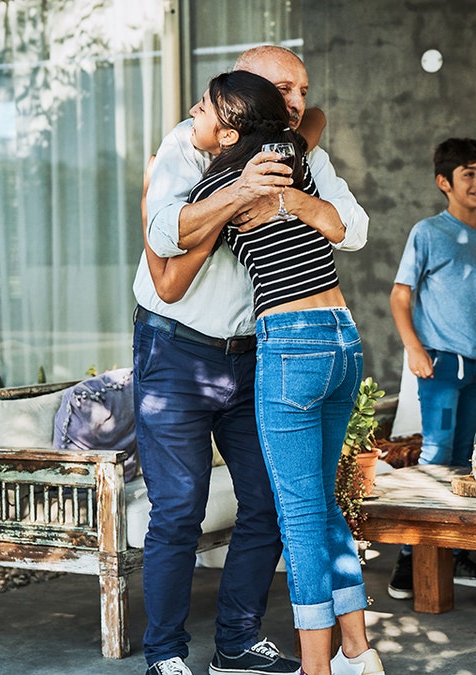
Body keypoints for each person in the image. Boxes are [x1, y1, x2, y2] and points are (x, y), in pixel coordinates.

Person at [134, 45, 368, 675]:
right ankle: (165, 653)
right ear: (247, 93)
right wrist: (238, 193)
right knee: (179, 509)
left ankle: (237, 643)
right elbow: (166, 265)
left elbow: (345, 202)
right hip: (178, 347)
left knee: (267, 503)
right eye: (284, 90)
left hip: (261, 355)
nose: (298, 102)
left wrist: (289, 176)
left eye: (302, 89)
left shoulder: (294, 149)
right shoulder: (189, 148)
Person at [385, 138, 476, 599]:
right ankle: (409, 562)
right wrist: (413, 348)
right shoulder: (429, 231)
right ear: (444, 182)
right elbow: (400, 296)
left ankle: (452, 554)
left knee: (468, 462)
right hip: (441, 362)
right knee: (436, 459)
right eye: (467, 174)